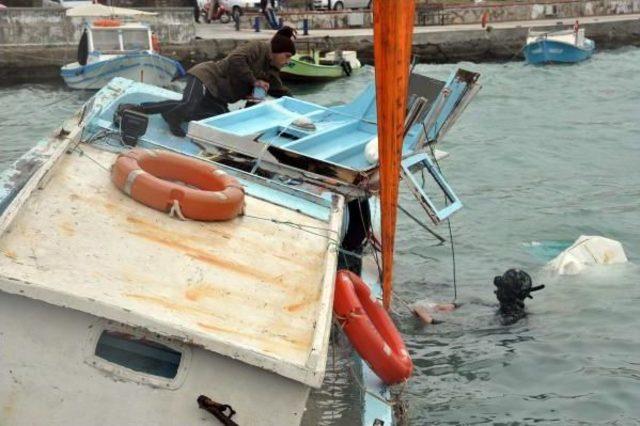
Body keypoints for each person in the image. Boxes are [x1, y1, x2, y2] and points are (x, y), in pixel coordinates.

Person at [114, 27, 297, 137]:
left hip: (218, 94)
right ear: (276, 50)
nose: (288, 60)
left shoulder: (270, 73)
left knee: (215, 119)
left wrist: (291, 104)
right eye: (287, 56)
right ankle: (138, 109)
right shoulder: (257, 48)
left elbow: (278, 91)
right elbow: (235, 60)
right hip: (206, 75)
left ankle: (173, 115)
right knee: (188, 103)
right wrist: (253, 81)